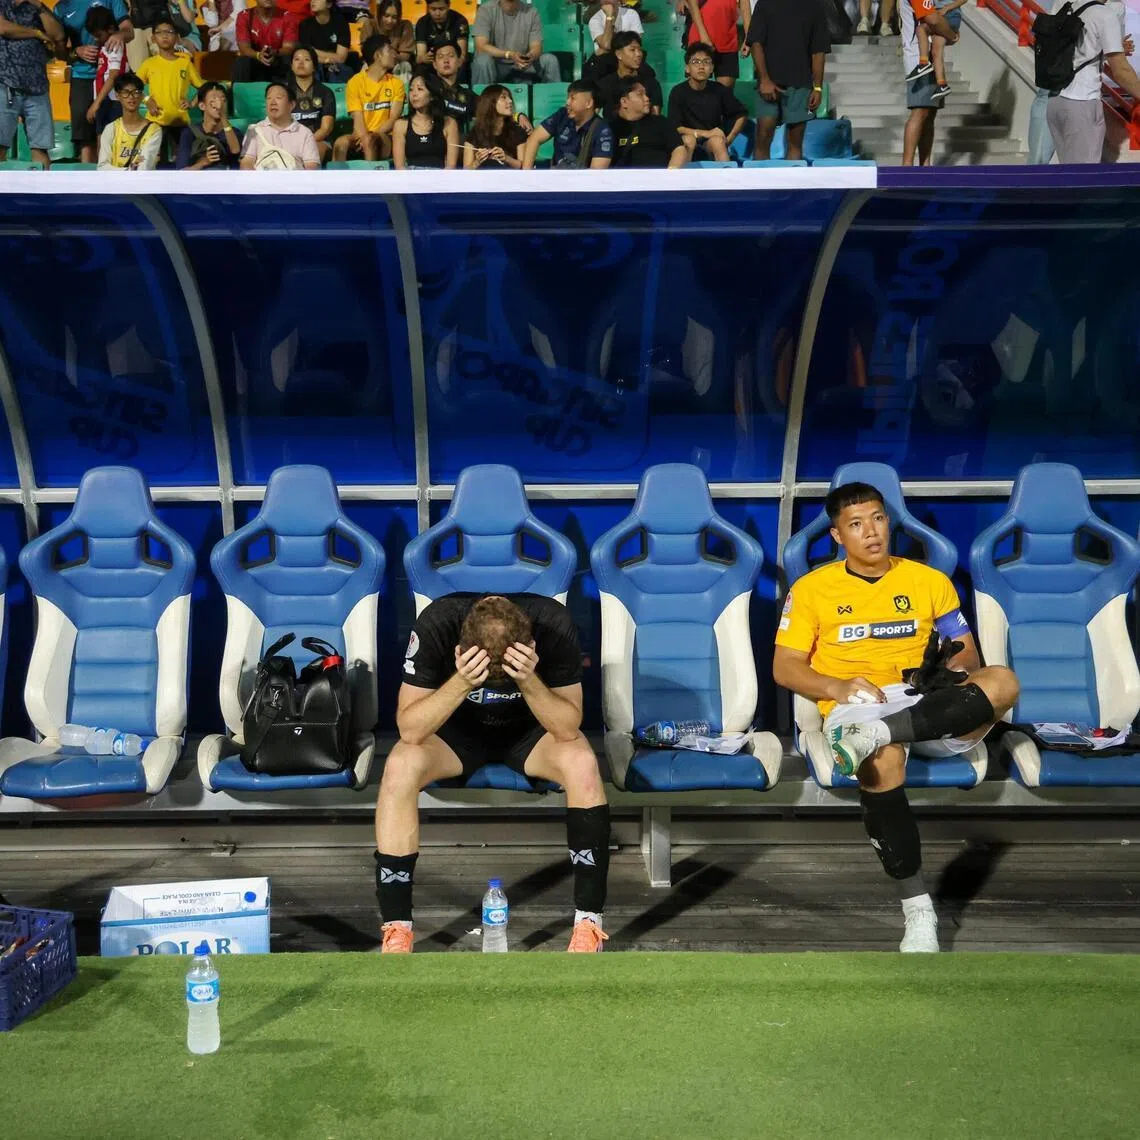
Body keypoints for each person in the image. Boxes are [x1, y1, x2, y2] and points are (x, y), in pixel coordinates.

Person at [772, 483, 1020, 953]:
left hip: (926, 704)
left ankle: (881, 733)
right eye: (857, 524)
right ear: (837, 535)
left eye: (879, 519)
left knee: (1003, 680)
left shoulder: (929, 582)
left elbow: (966, 651)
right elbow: (785, 667)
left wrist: (951, 670)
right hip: (857, 704)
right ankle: (918, 910)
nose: (872, 532)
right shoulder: (811, 589)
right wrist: (836, 687)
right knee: (883, 760)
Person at [375, 594, 611, 954]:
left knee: (582, 761)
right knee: (399, 764)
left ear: (531, 645)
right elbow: (409, 729)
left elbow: (567, 728)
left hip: (532, 734)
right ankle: (397, 928)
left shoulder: (554, 623)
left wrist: (529, 678)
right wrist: (461, 681)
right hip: (455, 735)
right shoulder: (437, 622)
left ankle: (589, 921)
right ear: (460, 648)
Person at [1047, 0, 1140, 163]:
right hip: (1083, 103)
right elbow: (1121, 72)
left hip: (1056, 102)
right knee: (1083, 181)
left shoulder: (1069, 6)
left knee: (1069, 178)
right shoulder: (1104, 14)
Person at [746, 0, 829, 160]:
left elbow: (819, 51)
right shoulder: (765, 4)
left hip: (801, 84)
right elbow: (756, 43)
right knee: (763, 136)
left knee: (795, 142)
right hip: (769, 83)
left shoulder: (815, 6)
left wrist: (817, 88)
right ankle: (760, 184)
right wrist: (764, 79)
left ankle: (793, 185)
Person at [55, 0, 134, 164]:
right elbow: (57, 50)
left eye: (96, 35)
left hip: (110, 80)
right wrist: (76, 52)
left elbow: (129, 31)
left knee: (114, 131)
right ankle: (89, 180)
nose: (94, 38)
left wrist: (119, 35)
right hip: (81, 75)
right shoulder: (60, 7)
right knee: (87, 134)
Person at [0, 0, 63, 169]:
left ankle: (43, 192)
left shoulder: (38, 9)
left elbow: (57, 35)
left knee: (41, 148)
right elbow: (3, 28)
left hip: (38, 87)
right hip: (5, 83)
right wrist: (36, 32)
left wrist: (40, 6)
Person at [667, 40, 747, 162]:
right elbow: (676, 127)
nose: (701, 66)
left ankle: (725, 179)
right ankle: (682, 179)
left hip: (710, 142)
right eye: (695, 62)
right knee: (689, 140)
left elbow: (741, 114)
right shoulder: (678, 92)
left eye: (706, 62)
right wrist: (705, 133)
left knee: (718, 142)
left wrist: (729, 138)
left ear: (712, 69)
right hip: (686, 141)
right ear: (687, 68)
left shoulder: (719, 90)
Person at [135, 16, 202, 155]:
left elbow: (203, 88)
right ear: (153, 38)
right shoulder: (149, 63)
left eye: (169, 32)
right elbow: (133, 86)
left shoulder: (185, 63)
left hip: (181, 122)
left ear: (177, 37)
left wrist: (192, 103)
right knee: (156, 161)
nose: (164, 35)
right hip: (155, 121)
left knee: (182, 162)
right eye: (159, 32)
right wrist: (147, 100)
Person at [333, 32, 405, 160]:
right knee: (340, 144)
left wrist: (369, 137)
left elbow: (393, 118)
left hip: (385, 137)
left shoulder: (397, 83)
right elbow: (358, 118)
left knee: (369, 141)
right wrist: (363, 136)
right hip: (360, 134)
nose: (394, 55)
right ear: (378, 55)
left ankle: (371, 179)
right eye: (390, 50)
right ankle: (337, 180)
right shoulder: (355, 82)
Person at [523, 77, 612, 167]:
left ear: (588, 103)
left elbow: (596, 173)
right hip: (555, 175)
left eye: (573, 98)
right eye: (567, 97)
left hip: (581, 179)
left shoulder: (602, 130)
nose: (567, 102)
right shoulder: (562, 115)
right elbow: (534, 138)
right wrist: (527, 175)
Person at [471, 0, 559, 87]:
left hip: (521, 64)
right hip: (495, 65)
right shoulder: (486, 10)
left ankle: (555, 98)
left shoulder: (532, 11)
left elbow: (536, 46)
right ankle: (483, 99)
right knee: (483, 60)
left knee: (550, 60)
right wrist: (509, 54)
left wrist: (530, 57)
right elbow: (481, 46)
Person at [240, 78, 321, 167]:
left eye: (278, 98)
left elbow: (311, 167)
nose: (272, 102)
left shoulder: (305, 133)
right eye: (269, 98)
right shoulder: (253, 130)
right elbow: (246, 162)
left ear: (292, 105)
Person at [609, 77, 686, 167]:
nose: (647, 98)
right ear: (624, 102)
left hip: (659, 178)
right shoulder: (609, 129)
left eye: (646, 94)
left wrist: (670, 175)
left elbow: (679, 149)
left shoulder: (661, 123)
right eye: (640, 94)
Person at [899, 0, 938, 165]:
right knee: (919, 112)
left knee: (929, 115)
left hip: (933, 58)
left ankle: (925, 165)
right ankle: (907, 167)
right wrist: (951, 34)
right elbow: (933, 19)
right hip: (918, 60)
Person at [392, 71, 459, 166]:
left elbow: (451, 167)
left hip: (440, 178)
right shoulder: (400, 125)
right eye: (411, 89)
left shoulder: (449, 123)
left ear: (432, 95)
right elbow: (400, 167)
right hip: (411, 177)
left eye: (420, 89)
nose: (414, 94)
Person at [97, 70, 161, 166]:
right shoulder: (111, 129)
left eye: (135, 92)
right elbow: (102, 166)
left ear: (141, 96)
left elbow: (145, 166)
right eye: (125, 92)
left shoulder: (154, 130)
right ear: (117, 96)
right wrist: (128, 171)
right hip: (117, 181)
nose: (131, 97)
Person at [175, 79, 242, 167]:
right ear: (202, 106)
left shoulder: (233, 133)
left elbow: (235, 150)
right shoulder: (189, 133)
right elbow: (181, 171)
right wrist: (203, 163)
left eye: (223, 100)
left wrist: (223, 117)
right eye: (213, 99)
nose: (219, 104)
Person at [682, 0, 749, 88]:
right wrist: (704, 37)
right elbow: (692, 4)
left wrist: (748, 37)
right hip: (699, 40)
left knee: (725, 91)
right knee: (697, 90)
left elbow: (745, 5)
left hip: (727, 40)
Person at [596, 30, 662, 117]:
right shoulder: (605, 84)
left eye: (640, 50)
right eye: (632, 50)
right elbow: (594, 116)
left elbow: (656, 118)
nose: (638, 54)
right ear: (618, 54)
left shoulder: (651, 83)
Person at [234, 0, 300, 83]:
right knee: (242, 61)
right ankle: (238, 93)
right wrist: (258, 55)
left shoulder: (288, 16)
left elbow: (289, 48)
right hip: (255, 59)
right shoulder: (244, 16)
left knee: (290, 58)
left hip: (278, 59)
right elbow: (244, 48)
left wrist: (274, 52)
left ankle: (292, 93)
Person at [288, 43, 335, 161]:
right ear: (291, 66)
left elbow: (326, 129)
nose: (301, 63)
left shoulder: (326, 92)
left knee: (312, 152)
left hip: (319, 141)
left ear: (314, 66)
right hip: (289, 141)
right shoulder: (284, 92)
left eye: (306, 59)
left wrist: (306, 143)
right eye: (297, 59)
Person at [908, 0, 962, 101]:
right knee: (936, 51)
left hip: (949, 14)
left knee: (921, 29)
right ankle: (942, 84)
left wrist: (947, 8)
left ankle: (924, 63)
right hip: (939, 13)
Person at [464, 82, 527, 167]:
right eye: (503, 97)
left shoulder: (518, 131)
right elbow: (466, 170)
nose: (510, 101)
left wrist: (506, 158)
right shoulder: (475, 132)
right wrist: (477, 162)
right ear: (490, 103)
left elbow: (524, 167)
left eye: (509, 97)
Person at [86, 5, 126, 135]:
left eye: (98, 35)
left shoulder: (115, 45)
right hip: (103, 100)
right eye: (93, 35)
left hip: (114, 101)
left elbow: (113, 76)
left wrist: (96, 104)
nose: (95, 39)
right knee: (101, 141)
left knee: (112, 142)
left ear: (111, 29)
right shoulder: (103, 46)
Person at [299, 0, 353, 83]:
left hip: (336, 66)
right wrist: (326, 60)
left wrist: (314, 51)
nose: (313, 2)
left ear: (329, 4)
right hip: (315, 64)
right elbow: (306, 55)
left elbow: (341, 58)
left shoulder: (341, 23)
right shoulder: (305, 24)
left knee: (339, 70)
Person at [428, 40, 473, 131]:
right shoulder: (427, 91)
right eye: (440, 57)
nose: (446, 60)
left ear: (460, 62)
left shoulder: (469, 95)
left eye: (451, 56)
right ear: (434, 65)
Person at [414, 0, 468, 75]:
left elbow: (462, 56)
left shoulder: (460, 21)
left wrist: (448, 61)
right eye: (433, 9)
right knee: (421, 68)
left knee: (461, 66)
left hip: (453, 62)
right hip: (433, 62)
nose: (437, 13)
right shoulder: (422, 23)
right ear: (427, 7)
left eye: (441, 9)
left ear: (448, 5)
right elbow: (419, 58)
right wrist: (424, 58)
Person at [376, 0, 414, 82]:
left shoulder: (405, 25)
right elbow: (367, 53)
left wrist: (389, 56)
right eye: (386, 16)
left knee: (405, 66)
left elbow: (405, 56)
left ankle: (401, 93)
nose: (389, 20)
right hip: (375, 62)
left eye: (394, 17)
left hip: (397, 63)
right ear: (380, 15)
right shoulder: (370, 24)